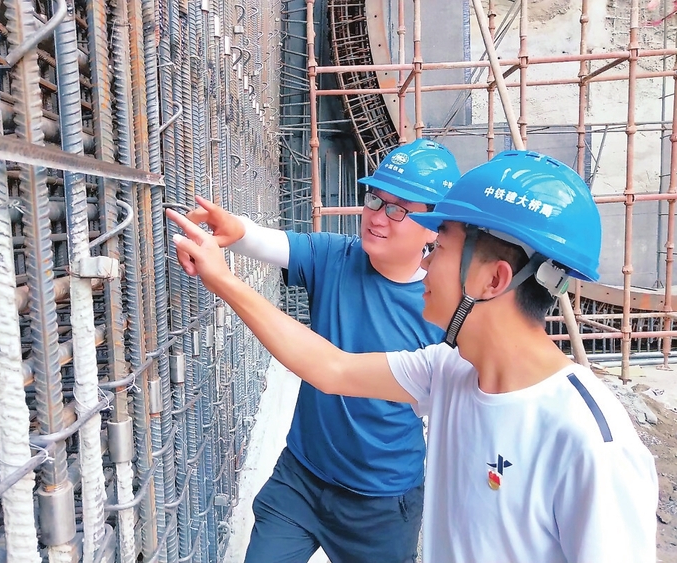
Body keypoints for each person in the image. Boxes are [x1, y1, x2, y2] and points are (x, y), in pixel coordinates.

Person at [171, 150, 659, 563]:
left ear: (493, 280)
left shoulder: (593, 446)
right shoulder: (447, 373)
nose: (425, 264)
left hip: (382, 504)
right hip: (304, 474)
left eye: (439, 247)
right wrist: (223, 279)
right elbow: (331, 367)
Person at [167, 139, 461, 563]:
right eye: (374, 200)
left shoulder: (440, 308)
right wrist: (235, 229)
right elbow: (270, 243)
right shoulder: (337, 257)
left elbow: (336, 370)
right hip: (302, 476)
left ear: (435, 226)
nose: (378, 217)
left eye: (399, 209)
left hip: (380, 502)